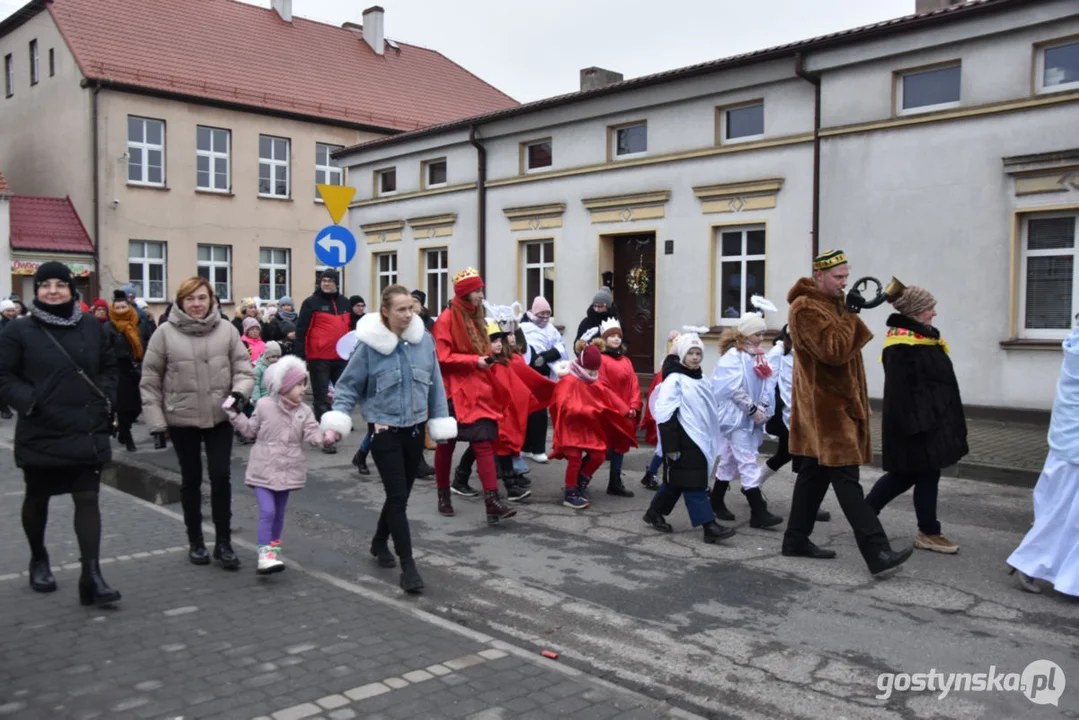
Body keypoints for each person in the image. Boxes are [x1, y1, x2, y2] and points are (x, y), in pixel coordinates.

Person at [781, 249, 913, 577]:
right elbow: (835, 351)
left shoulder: (831, 303)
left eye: (845, 276)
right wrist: (851, 315)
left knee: (813, 475)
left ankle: (795, 540)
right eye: (838, 277)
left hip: (834, 406)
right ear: (819, 276)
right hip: (826, 410)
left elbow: (844, 342)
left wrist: (850, 310)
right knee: (847, 481)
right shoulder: (805, 308)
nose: (843, 283)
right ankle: (877, 551)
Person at [0, 261, 121, 606]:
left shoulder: (92, 327)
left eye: (61, 284)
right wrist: (32, 401)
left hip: (86, 428)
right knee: (37, 499)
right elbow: (4, 376)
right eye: (45, 284)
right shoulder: (19, 330)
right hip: (42, 429)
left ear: (73, 289)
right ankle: (38, 557)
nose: (53, 290)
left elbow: (109, 366)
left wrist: (106, 399)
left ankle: (91, 576)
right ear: (35, 290)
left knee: (87, 497)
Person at [321, 284, 457, 593]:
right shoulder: (369, 347)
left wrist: (440, 423)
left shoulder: (424, 341)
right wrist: (336, 423)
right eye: (401, 309)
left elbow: (436, 384)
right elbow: (347, 386)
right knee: (397, 498)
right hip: (383, 432)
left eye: (411, 308)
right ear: (385, 312)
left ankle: (379, 541)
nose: (409, 314)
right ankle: (408, 566)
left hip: (414, 432)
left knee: (401, 496)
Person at [140, 276, 255, 570]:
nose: (196, 304)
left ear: (211, 300)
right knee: (191, 480)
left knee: (220, 476)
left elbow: (244, 369)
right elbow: (150, 381)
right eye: (190, 298)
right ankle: (196, 542)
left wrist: (239, 394)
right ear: (180, 302)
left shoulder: (227, 330)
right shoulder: (164, 333)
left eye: (202, 298)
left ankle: (224, 543)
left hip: (220, 416)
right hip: (182, 418)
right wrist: (156, 422)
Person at [866, 286, 967, 554]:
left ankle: (865, 516)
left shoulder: (923, 337)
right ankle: (927, 531)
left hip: (930, 423)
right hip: (917, 426)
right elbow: (904, 393)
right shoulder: (902, 345)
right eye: (928, 308)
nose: (934, 312)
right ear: (913, 312)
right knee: (917, 474)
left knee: (910, 475)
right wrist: (921, 425)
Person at [431, 268, 517, 524]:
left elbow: (483, 345)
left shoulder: (478, 316)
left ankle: (492, 501)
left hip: (479, 389)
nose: (481, 295)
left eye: (481, 290)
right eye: (477, 291)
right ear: (466, 293)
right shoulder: (446, 319)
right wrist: (473, 361)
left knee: (483, 441)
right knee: (446, 443)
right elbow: (441, 357)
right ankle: (443, 494)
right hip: (453, 390)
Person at [228, 355, 324, 574]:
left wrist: (327, 437)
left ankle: (273, 551)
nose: (302, 389)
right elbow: (250, 430)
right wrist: (234, 414)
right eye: (298, 384)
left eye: (304, 384)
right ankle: (265, 555)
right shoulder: (264, 405)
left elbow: (312, 434)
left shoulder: (304, 411)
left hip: (288, 471)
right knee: (268, 512)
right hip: (262, 469)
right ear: (284, 385)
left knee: (279, 513)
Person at [1007, 321, 1079, 596]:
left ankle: (1034, 564)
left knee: (1058, 510)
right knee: (1065, 515)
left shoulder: (1074, 343)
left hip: (1066, 443)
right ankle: (1029, 563)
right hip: (1073, 447)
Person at [643, 332, 737, 543]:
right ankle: (709, 526)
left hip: (700, 438)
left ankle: (654, 512)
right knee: (694, 483)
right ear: (683, 356)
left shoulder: (701, 379)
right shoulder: (675, 380)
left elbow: (709, 407)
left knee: (678, 481)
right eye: (691, 353)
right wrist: (671, 447)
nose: (695, 357)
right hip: (683, 438)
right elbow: (665, 415)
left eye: (698, 353)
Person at [710, 310, 785, 528]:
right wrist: (753, 409)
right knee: (748, 462)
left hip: (749, 417)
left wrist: (762, 405)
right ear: (746, 333)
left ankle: (716, 500)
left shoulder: (757, 355)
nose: (762, 338)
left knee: (729, 459)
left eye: (763, 334)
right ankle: (758, 512)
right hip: (736, 419)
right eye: (758, 334)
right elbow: (732, 388)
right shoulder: (734, 356)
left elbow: (766, 384)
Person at [549, 345, 637, 509]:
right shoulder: (568, 380)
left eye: (595, 369)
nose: (591, 373)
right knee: (575, 458)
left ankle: (581, 481)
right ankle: (570, 492)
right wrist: (583, 410)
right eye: (589, 369)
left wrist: (624, 411)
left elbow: (607, 398)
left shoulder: (594, 381)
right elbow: (560, 403)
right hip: (571, 428)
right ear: (582, 365)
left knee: (599, 455)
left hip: (589, 428)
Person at [295, 269, 352, 432]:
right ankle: (324, 433)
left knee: (342, 395)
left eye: (330, 280)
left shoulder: (345, 302)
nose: (326, 283)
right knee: (321, 397)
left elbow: (350, 329)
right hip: (318, 357)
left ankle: (339, 426)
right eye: (323, 280)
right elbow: (302, 330)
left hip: (341, 357)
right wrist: (300, 356)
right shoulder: (311, 302)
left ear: (336, 283)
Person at [519, 296, 567, 463]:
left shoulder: (551, 330)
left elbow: (560, 347)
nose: (545, 318)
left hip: (546, 375)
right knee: (529, 412)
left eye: (548, 314)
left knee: (539, 413)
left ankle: (537, 448)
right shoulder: (524, 328)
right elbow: (521, 349)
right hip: (529, 376)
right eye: (542, 314)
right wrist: (534, 361)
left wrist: (547, 356)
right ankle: (527, 447)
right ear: (534, 313)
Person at [103, 289, 152, 453]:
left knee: (137, 406)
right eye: (118, 308)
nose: (121, 310)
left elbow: (148, 343)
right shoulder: (109, 327)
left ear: (129, 307)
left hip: (137, 369)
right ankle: (127, 436)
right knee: (123, 407)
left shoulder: (139, 324)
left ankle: (124, 430)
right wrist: (119, 355)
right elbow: (104, 350)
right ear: (113, 309)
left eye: (124, 307)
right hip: (118, 370)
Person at [597, 318, 639, 497]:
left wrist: (634, 404)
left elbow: (633, 384)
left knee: (619, 446)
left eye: (618, 336)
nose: (615, 339)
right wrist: (623, 408)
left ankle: (614, 481)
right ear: (604, 339)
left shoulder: (626, 361)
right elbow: (603, 386)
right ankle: (579, 479)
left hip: (626, 412)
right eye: (611, 336)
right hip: (609, 410)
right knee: (600, 448)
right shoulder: (602, 360)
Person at [639, 330, 681, 490]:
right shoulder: (666, 373)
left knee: (665, 448)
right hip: (666, 416)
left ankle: (652, 474)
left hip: (674, 415)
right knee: (664, 447)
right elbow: (656, 396)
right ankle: (653, 475)